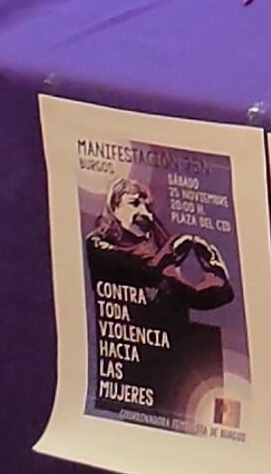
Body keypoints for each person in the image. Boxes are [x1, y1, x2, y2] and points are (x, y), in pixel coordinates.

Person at [84, 177, 234, 422]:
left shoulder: (162, 260)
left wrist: (214, 268)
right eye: (134, 204)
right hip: (129, 369)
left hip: (170, 371)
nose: (144, 212)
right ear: (114, 208)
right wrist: (176, 247)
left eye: (147, 207)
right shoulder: (98, 244)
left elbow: (206, 296)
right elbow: (143, 268)